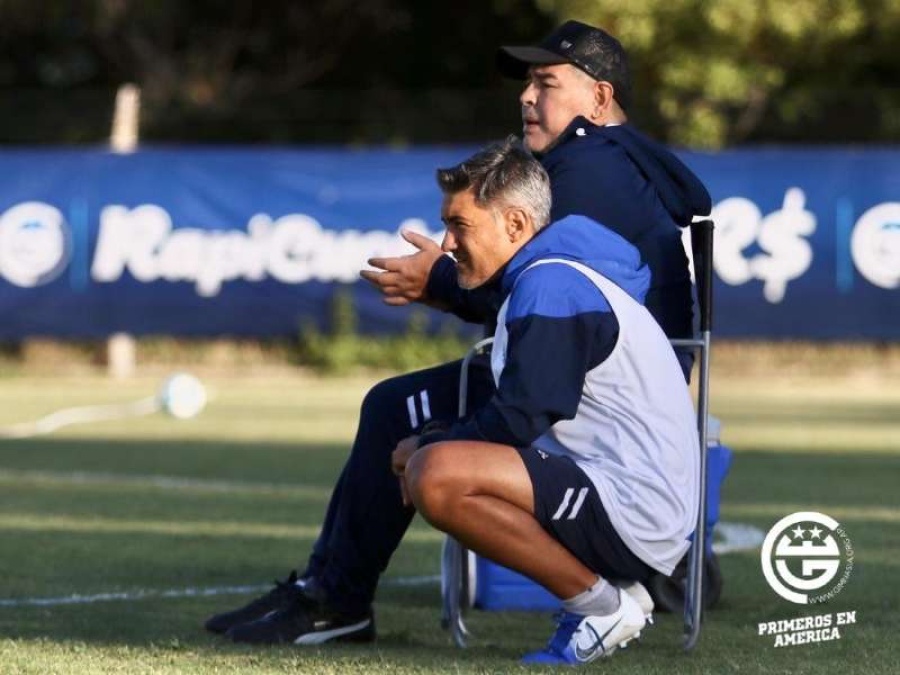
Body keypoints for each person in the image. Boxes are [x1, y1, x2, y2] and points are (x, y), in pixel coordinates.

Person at [205, 19, 709, 645]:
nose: (527, 97)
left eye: (546, 83)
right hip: (602, 384)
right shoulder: (608, 160)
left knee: (401, 417)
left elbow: (551, 295)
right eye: (527, 83)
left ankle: (337, 601)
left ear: (599, 99)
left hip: (599, 397)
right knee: (406, 417)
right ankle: (331, 593)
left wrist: (442, 282)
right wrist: (450, 278)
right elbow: (543, 293)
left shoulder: (589, 170)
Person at [391, 138, 699, 664]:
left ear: (515, 225)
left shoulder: (551, 284)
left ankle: (602, 607)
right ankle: (606, 600)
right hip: (634, 498)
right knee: (433, 461)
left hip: (635, 508)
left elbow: (524, 413)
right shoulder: (549, 275)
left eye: (460, 225)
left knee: (435, 474)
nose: (447, 243)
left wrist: (430, 441)